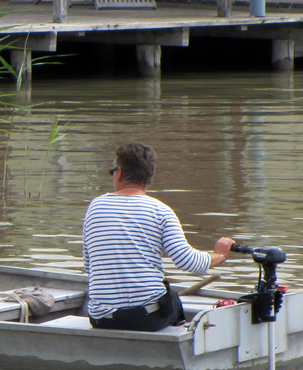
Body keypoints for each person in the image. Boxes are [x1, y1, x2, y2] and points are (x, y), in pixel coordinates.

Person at [82, 142, 236, 332]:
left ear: (120, 172)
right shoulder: (161, 211)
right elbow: (189, 262)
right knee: (170, 297)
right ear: (148, 177)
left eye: (112, 170)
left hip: (101, 319)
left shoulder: (95, 207)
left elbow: (89, 265)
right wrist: (220, 255)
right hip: (144, 320)